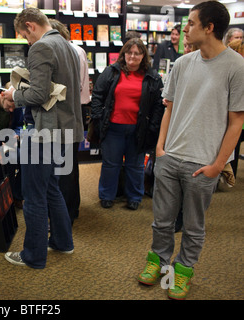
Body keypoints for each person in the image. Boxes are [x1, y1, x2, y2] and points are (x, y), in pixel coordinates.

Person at [138, 1, 244, 300]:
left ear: (209, 28)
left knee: (194, 226)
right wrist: (160, 148)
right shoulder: (183, 63)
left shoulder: (237, 67)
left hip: (203, 163)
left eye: (192, 23)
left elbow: (237, 122)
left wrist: (217, 165)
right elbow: (169, 110)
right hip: (170, 157)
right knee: (162, 219)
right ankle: (158, 263)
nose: (185, 29)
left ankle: (182, 271)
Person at [2, 8, 84, 269]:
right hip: (64, 130)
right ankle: (63, 242)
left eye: (26, 36)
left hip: (44, 133)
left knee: (33, 195)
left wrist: (14, 96)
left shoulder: (41, 47)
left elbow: (37, 96)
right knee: (50, 188)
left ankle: (33, 256)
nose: (28, 42)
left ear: (31, 26)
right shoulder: (67, 45)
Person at [91, 38, 165, 210]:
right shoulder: (112, 72)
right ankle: (107, 195)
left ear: (143, 56)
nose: (132, 56)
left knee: (136, 166)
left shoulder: (152, 77)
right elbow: (97, 94)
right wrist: (99, 117)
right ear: (123, 54)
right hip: (112, 128)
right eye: (129, 52)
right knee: (110, 164)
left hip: (138, 130)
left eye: (137, 53)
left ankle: (134, 197)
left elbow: (158, 104)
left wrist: (153, 125)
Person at [48, 18, 90, 224]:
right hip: (75, 112)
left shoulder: (67, 52)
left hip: (64, 114)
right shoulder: (78, 50)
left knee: (63, 167)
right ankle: (72, 209)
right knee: (69, 166)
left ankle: (65, 213)